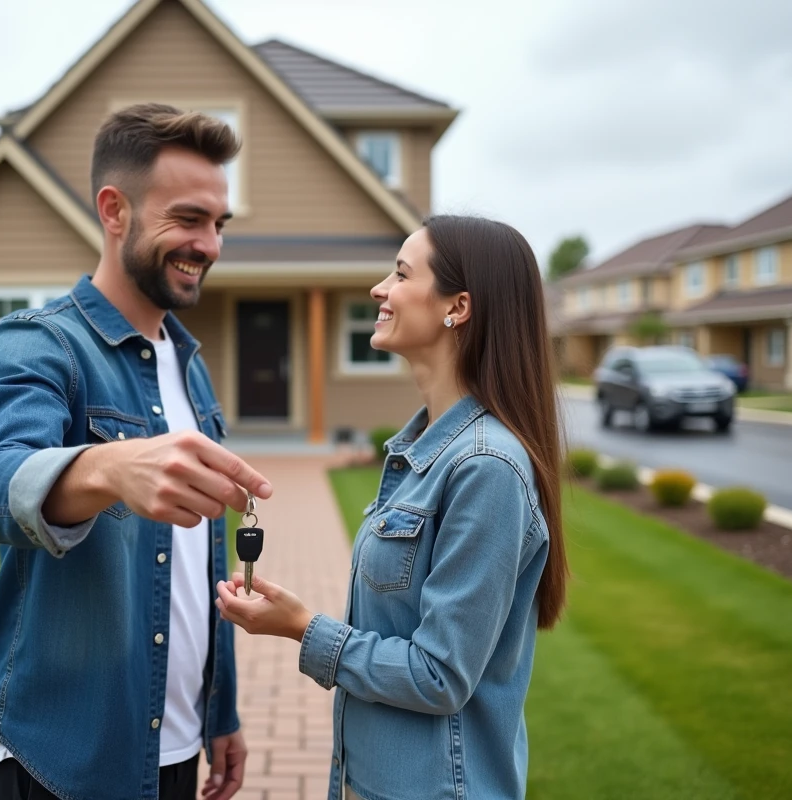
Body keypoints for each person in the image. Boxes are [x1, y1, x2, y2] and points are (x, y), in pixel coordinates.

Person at [0, 103, 272, 800]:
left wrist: (219, 711)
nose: (211, 245)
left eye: (219, 225)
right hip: (63, 754)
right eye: (189, 219)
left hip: (176, 741)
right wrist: (108, 466)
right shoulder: (39, 343)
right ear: (114, 210)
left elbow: (199, 565)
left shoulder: (189, 365)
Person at [216, 215, 569, 800]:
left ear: (457, 307)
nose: (379, 289)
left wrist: (303, 629)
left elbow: (439, 676)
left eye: (401, 274)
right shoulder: (422, 451)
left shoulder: (485, 468)